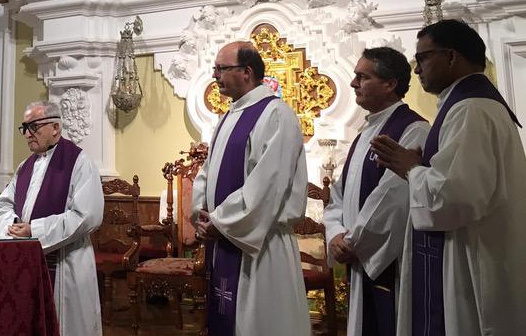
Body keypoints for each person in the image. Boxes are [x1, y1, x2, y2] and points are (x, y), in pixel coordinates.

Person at [371, 20, 526, 335]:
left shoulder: (469, 110)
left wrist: (410, 169)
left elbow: (456, 198)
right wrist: (420, 167)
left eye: (423, 58)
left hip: (473, 261)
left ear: (451, 56)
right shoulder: (471, 106)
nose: (417, 70)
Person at [192, 41, 311, 336]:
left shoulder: (277, 115)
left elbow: (268, 184)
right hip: (227, 238)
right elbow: (207, 174)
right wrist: (203, 215)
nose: (215, 75)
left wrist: (220, 221)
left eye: (221, 69)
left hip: (262, 245)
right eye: (215, 69)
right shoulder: (228, 118)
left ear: (246, 71)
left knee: (262, 323)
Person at [324, 48, 429, 336]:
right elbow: (338, 195)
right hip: (360, 254)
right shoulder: (362, 136)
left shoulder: (413, 129)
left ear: (390, 83)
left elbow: (394, 199)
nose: (353, 83)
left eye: (363, 76)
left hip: (390, 261)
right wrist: (334, 234)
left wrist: (354, 242)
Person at [0, 101, 104, 336]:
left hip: (66, 263)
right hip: (28, 263)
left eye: (33, 126)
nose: (27, 134)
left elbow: (87, 216)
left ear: (55, 127)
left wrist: (34, 230)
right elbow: (3, 205)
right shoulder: (25, 167)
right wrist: (11, 226)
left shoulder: (80, 163)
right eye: (24, 128)